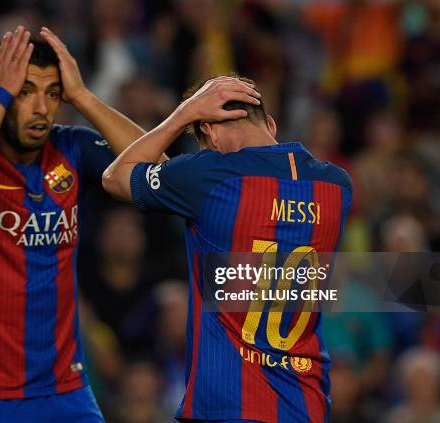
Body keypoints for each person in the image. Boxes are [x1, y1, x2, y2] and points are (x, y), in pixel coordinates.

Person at [0, 26, 152, 422]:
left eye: (52, 93)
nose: (42, 109)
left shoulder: (71, 148)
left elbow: (158, 175)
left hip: (65, 393)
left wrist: (82, 95)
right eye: (25, 91)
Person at [103, 75, 352, 422]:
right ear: (271, 125)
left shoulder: (209, 176)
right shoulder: (337, 186)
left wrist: (182, 114)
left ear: (211, 132)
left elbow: (115, 177)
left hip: (227, 406)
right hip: (305, 405)